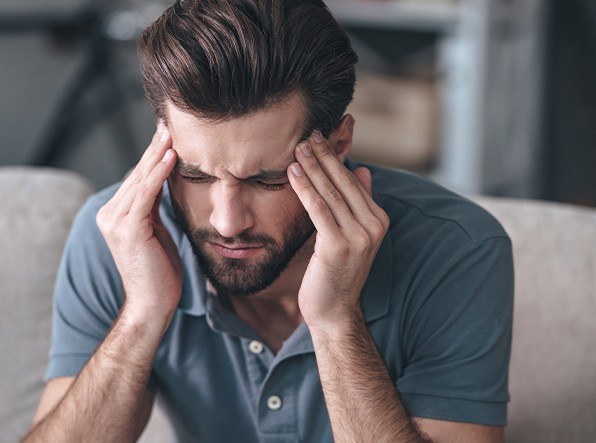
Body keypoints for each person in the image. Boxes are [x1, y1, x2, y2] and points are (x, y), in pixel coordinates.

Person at [24, 0, 513, 441]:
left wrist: (336, 321)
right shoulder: (121, 235)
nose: (227, 221)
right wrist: (142, 314)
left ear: (338, 145)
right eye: (194, 174)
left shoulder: (458, 249)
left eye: (266, 180)